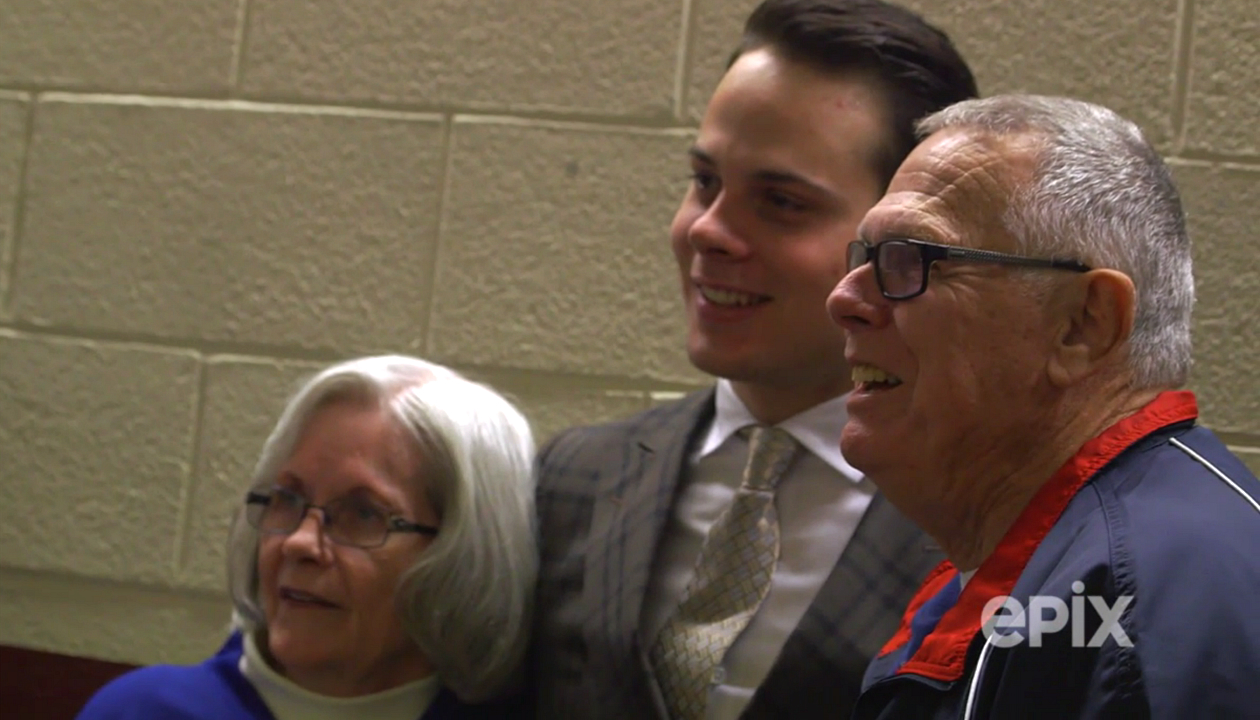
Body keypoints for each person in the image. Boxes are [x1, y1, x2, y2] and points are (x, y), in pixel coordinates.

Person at [529, 1, 978, 718]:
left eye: (779, 201)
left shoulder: (993, 525)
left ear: (905, 244)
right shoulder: (571, 481)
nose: (709, 231)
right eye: (705, 181)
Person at [828, 94, 1260, 719]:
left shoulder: (1144, 602)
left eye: (909, 261)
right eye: (864, 258)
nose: (843, 299)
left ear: (1082, 325)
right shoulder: (1100, 566)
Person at [77, 355, 537, 720]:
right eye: (288, 499)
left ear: (464, 555)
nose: (299, 543)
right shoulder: (143, 712)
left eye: (362, 514)